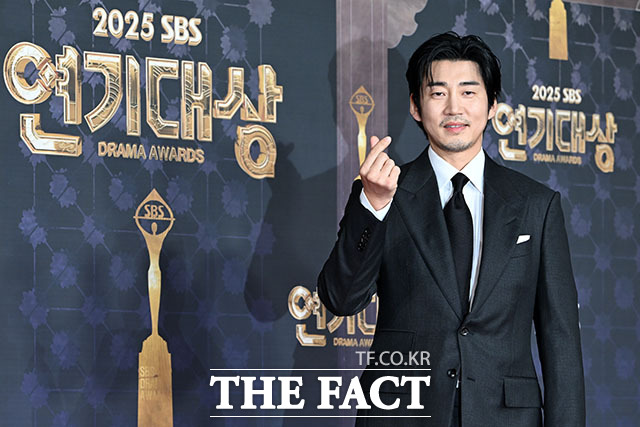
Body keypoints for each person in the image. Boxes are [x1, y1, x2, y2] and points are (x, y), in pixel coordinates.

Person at [317, 32, 585, 427]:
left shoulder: (536, 205)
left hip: (506, 417)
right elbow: (340, 300)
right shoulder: (384, 190)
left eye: (469, 92)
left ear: (492, 106)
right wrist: (373, 207)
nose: (454, 108)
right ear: (415, 106)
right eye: (438, 93)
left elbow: (560, 338)